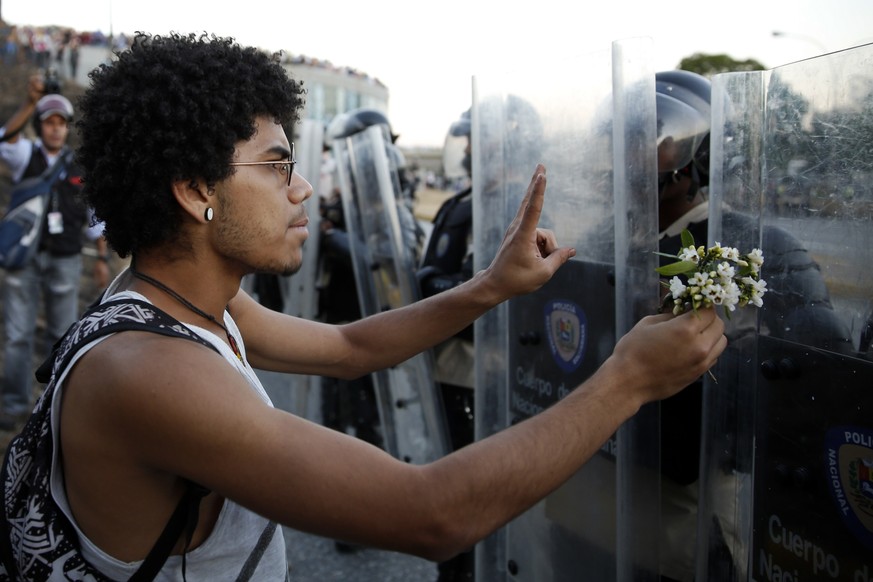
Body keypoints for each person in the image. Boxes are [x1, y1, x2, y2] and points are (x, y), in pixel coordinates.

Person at [12, 33, 724, 580]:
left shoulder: (181, 304)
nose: (301, 190)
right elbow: (431, 514)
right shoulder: (152, 372)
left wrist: (490, 287)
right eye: (277, 164)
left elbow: (350, 347)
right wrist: (627, 380)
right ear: (195, 189)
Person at [654, 69, 852, 582]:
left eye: (653, 138)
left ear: (698, 156)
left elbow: (812, 381)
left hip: (706, 497)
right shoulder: (602, 242)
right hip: (608, 481)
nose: (628, 152)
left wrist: (727, 369)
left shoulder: (758, 245)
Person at [0, 74, 109, 430]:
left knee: (61, 334)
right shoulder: (24, 156)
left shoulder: (78, 168)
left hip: (65, 258)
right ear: (41, 126)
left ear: (67, 129)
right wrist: (30, 101)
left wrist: (102, 259)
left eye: (61, 123)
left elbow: (95, 218)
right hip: (23, 259)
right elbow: (5, 138)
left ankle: (52, 406)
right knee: (17, 335)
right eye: (49, 122)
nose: (56, 129)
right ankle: (13, 406)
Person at [417, 109, 475, 581]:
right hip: (446, 362)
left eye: (479, 141)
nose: (470, 151)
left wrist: (436, 285)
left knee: (472, 487)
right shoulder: (463, 201)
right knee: (450, 470)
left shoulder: (510, 208)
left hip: (479, 369)